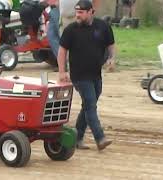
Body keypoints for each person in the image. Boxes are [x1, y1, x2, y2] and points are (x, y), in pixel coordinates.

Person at [57, 0, 115, 151]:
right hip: (79, 76)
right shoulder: (71, 30)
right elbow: (62, 51)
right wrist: (62, 71)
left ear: (91, 12)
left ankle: (77, 137)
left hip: (96, 74)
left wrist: (111, 58)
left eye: (81, 12)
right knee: (90, 105)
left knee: (87, 107)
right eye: (77, 12)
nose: (78, 15)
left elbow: (110, 44)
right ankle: (100, 138)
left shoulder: (102, 27)